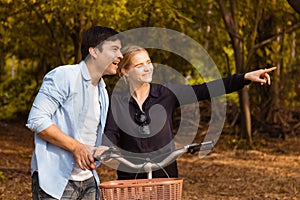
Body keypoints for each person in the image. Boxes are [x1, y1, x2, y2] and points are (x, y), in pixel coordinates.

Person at [102, 45, 277, 180]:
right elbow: (111, 131)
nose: (148, 68)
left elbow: (205, 90)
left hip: (165, 173)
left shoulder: (166, 93)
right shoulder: (117, 100)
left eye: (149, 62)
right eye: (140, 65)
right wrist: (104, 147)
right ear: (124, 72)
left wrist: (244, 77)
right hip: (130, 175)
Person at [26, 26, 123, 200]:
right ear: (93, 51)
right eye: (114, 49)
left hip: (88, 179)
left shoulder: (102, 90)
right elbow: (36, 119)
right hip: (57, 180)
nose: (121, 56)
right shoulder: (64, 76)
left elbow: (85, 134)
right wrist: (76, 147)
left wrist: (96, 149)